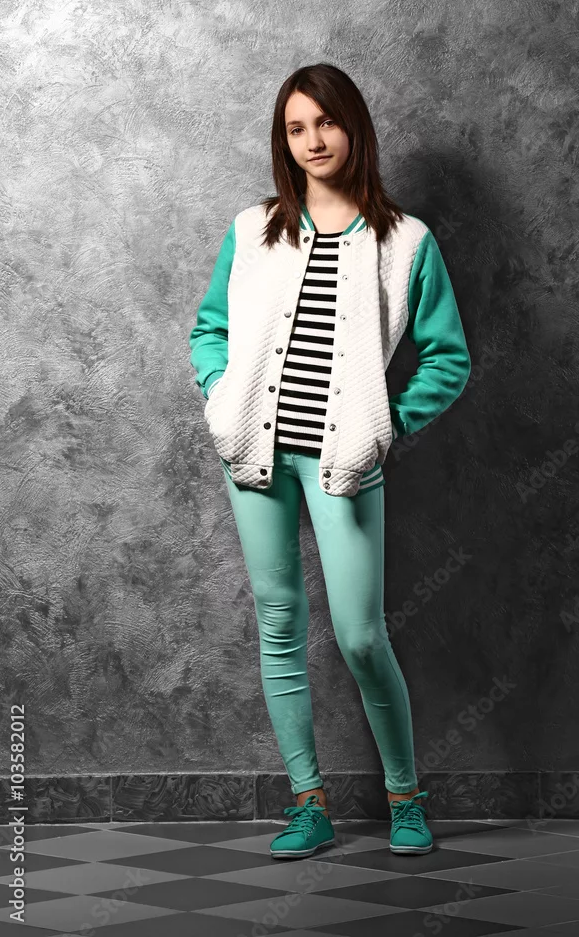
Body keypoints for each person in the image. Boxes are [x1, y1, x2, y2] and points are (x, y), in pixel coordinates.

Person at [189, 63, 471, 859]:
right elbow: (209, 329)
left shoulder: (404, 241)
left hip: (343, 457)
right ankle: (307, 803)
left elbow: (447, 358)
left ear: (353, 128)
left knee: (360, 635)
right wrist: (220, 395)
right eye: (295, 127)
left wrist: (385, 424)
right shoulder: (253, 229)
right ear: (283, 140)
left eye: (326, 122)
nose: (312, 140)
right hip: (254, 451)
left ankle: (405, 798)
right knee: (279, 622)